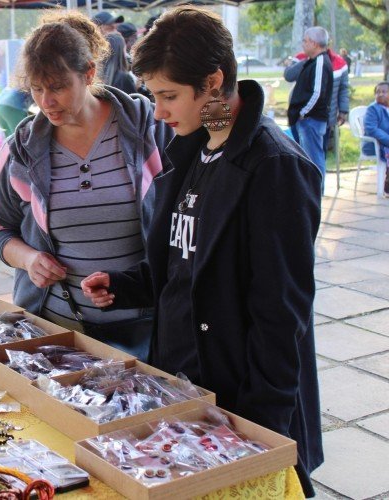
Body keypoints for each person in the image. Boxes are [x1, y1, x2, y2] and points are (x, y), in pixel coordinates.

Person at [80, 7, 322, 495]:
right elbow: (183, 263)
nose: (160, 111)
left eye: (169, 96)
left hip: (238, 399)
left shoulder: (274, 168)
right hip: (180, 384)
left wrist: (262, 429)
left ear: (213, 82)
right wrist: (126, 285)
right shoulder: (190, 147)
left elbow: (282, 312)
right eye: (154, 95)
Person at [0, 10, 173, 359]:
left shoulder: (149, 128)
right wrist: (28, 258)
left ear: (88, 74)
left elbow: (213, 122)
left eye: (57, 87)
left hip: (145, 329)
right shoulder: (21, 150)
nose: (46, 102)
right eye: (36, 89)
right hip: (57, 333)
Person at [286, 27, 333, 187]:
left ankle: (315, 193)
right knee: (307, 158)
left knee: (314, 159)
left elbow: (318, 92)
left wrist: (303, 112)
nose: (303, 45)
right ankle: (309, 191)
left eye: (305, 41)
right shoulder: (311, 61)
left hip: (311, 120)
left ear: (314, 43)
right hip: (305, 119)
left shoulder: (320, 62)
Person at [284, 46, 349, 152]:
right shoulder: (301, 58)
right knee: (298, 151)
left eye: (307, 41)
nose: (305, 43)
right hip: (299, 115)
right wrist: (308, 60)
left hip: (326, 115)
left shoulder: (339, 62)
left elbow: (343, 88)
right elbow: (289, 76)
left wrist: (343, 110)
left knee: (318, 153)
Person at [361, 81, 389, 197]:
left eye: (384, 92)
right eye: (378, 92)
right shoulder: (373, 109)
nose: (380, 94)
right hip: (374, 145)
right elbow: (372, 129)